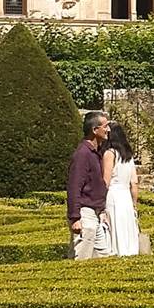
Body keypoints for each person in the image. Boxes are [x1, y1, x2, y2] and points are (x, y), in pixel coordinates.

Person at [67, 111, 111, 259]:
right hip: (85, 214)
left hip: (95, 214)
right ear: (94, 130)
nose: (108, 130)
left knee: (103, 256)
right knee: (82, 259)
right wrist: (75, 217)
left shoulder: (94, 152)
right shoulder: (83, 154)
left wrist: (102, 210)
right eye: (105, 126)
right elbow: (74, 186)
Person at [101, 120, 141, 256]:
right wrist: (134, 205)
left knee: (114, 229)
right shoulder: (128, 155)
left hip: (113, 195)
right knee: (126, 228)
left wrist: (99, 202)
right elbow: (134, 183)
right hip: (126, 197)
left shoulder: (110, 153)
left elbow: (105, 181)